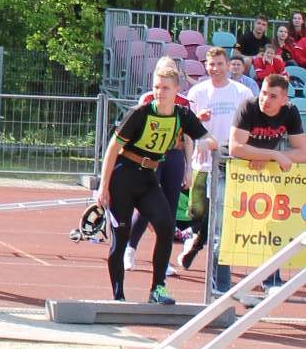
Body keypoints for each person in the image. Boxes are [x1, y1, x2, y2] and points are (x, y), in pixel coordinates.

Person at [95, 62, 209, 304]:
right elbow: (113, 148)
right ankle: (118, 296)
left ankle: (157, 288)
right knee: (120, 237)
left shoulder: (182, 115)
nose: (160, 92)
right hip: (123, 176)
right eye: (156, 87)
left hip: (148, 177)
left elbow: (207, 137)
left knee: (166, 226)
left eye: (165, 88)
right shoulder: (140, 113)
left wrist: (207, 144)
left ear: (176, 90)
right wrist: (103, 187)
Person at [229, 74, 306, 296]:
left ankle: (271, 279)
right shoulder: (248, 107)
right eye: (263, 93)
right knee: (221, 228)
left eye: (273, 96)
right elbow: (236, 148)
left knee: (272, 225)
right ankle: (218, 281)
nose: (265, 99)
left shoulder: (290, 112)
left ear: (284, 99)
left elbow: (303, 152)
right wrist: (272, 154)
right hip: (233, 171)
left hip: (263, 173)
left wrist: (270, 158)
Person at [181, 44, 249, 295]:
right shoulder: (197, 92)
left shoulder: (241, 92)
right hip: (203, 162)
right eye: (212, 64)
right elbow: (186, 129)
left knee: (221, 219)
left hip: (230, 162)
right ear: (206, 66)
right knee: (198, 212)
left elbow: (249, 126)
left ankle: (218, 279)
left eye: (220, 64)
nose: (216, 69)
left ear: (228, 65)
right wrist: (198, 120)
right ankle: (196, 238)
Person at [122, 61, 193, 276]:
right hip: (151, 156)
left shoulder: (184, 104)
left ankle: (163, 259)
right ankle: (130, 248)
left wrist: (189, 167)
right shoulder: (147, 99)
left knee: (170, 208)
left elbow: (188, 137)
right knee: (146, 205)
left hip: (174, 155)